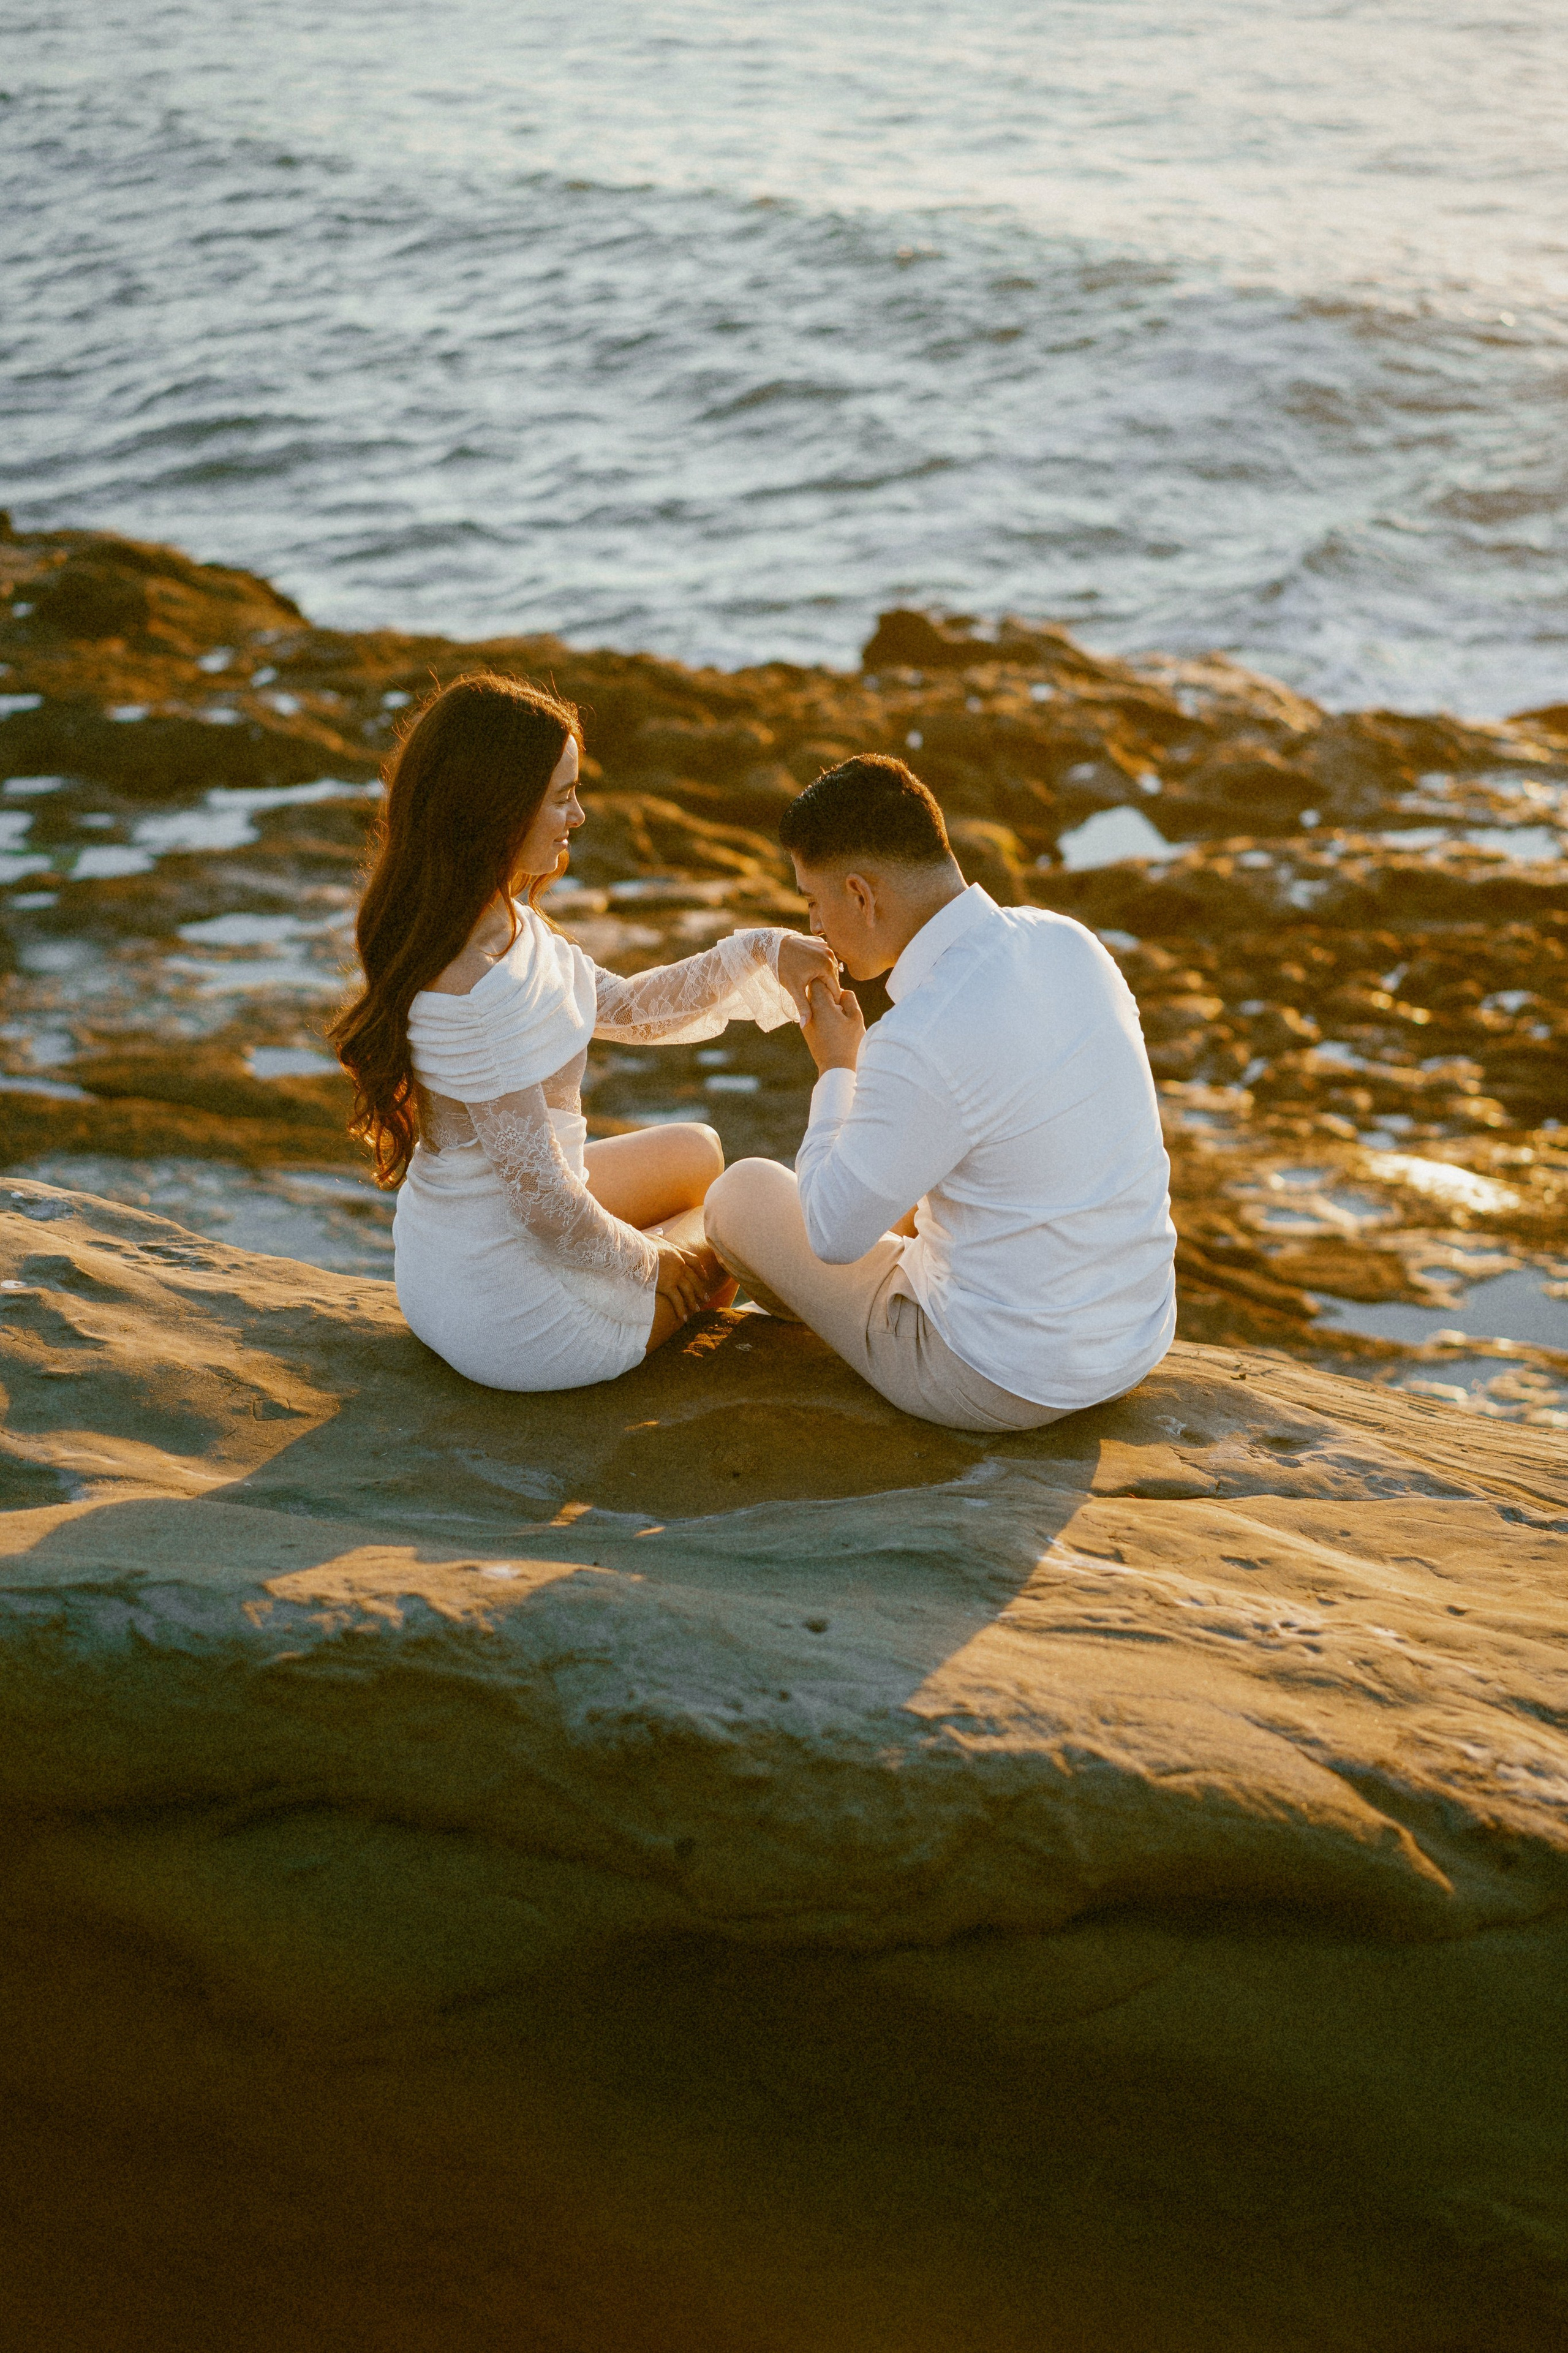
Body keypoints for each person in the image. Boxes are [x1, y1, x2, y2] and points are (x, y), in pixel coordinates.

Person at [331, 672, 835, 1391]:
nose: (580, 815)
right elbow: (544, 1208)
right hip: (512, 1313)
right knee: (734, 1222)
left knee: (700, 1152)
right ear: (499, 810)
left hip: (448, 1257)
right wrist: (655, 1261)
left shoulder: (494, 918)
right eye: (562, 796)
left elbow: (626, 1007)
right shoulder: (475, 986)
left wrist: (761, 952)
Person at [703, 755, 1177, 1431]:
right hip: (1134, 1335)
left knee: (739, 1195)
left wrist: (838, 1067)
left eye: (814, 902)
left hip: (1003, 1378)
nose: (815, 930)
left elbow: (831, 1235)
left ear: (861, 895)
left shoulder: (916, 1034)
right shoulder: (1070, 941)